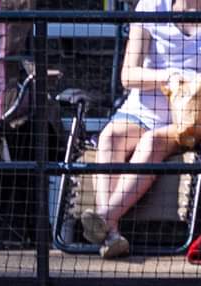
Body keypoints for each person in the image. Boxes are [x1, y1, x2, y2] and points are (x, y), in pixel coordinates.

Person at [84, 0, 201, 260]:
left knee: (150, 142)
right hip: (140, 111)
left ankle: (104, 219)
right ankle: (112, 235)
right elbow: (128, 75)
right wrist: (167, 76)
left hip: (188, 119)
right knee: (109, 137)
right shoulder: (149, 6)